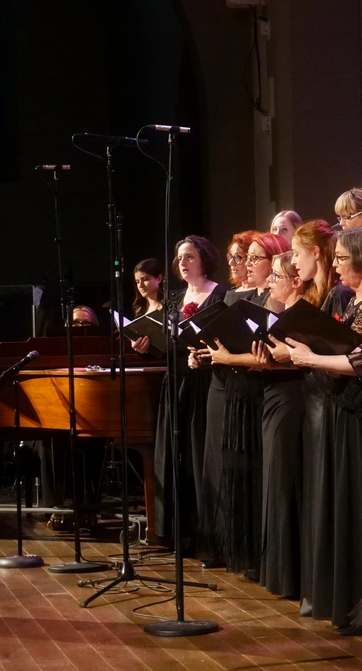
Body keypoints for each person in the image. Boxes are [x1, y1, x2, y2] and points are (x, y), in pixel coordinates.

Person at [286, 226, 362, 635]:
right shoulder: (356, 299)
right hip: (342, 410)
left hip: (361, 415)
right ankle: (350, 596)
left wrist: (310, 357)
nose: (337, 267)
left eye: (343, 259)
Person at [259, 219, 350, 618]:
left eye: (296, 254)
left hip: (327, 397)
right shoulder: (316, 293)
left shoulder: (336, 294)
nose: (293, 264)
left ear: (316, 253)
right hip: (314, 393)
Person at [208, 231, 290, 579]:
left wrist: (228, 358)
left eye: (256, 258)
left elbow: (268, 358)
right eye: (248, 257)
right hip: (238, 390)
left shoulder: (275, 303)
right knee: (238, 471)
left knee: (256, 474)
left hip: (260, 393)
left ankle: (258, 557)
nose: (248, 264)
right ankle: (240, 551)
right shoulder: (249, 298)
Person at [152, 236, 228, 555]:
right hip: (176, 381)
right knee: (174, 453)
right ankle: (177, 533)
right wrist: (148, 343)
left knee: (199, 454)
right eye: (179, 258)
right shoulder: (174, 299)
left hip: (203, 378)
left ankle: (206, 535)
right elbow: (167, 342)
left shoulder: (220, 294)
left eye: (189, 257)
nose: (182, 263)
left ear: (204, 259)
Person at [254, 251, 307, 598]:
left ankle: (291, 575)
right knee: (274, 481)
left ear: (295, 281)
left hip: (292, 400)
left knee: (286, 483)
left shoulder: (300, 316)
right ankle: (278, 573)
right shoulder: (280, 314)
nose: (271, 282)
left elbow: (302, 362)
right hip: (275, 395)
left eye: (277, 276)